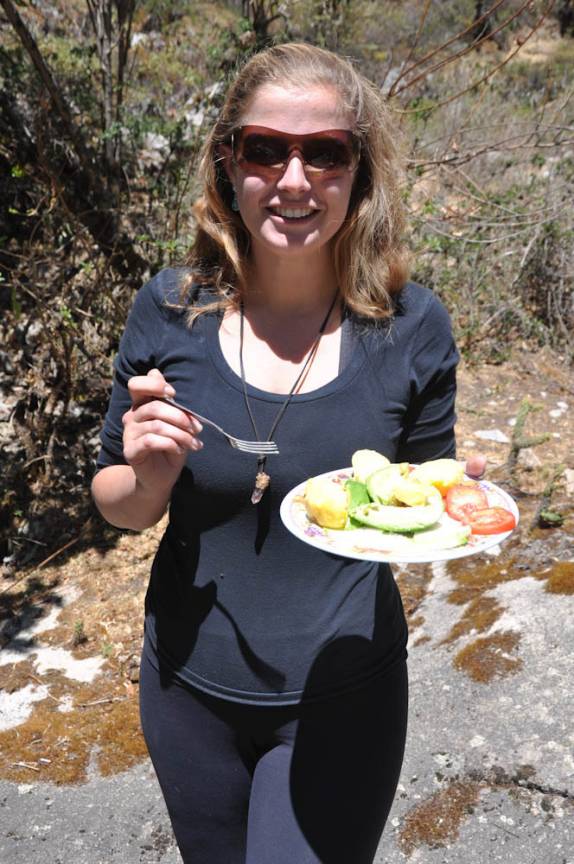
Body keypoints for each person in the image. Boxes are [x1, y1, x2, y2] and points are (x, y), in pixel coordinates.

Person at [92, 42, 484, 864]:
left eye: (326, 153)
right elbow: (117, 504)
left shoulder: (412, 328)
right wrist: (150, 476)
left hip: (341, 695)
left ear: (360, 171)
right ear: (228, 163)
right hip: (185, 690)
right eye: (266, 149)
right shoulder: (168, 311)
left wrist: (446, 506)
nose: (295, 180)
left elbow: (421, 495)